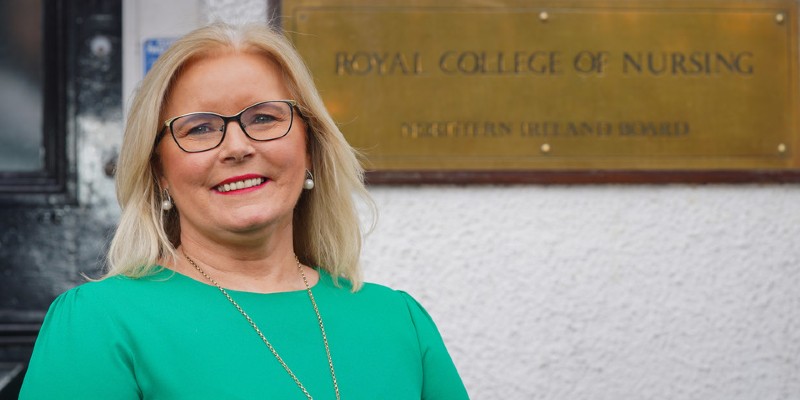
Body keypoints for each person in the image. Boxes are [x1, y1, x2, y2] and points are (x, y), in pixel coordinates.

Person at [19, 23, 469, 399]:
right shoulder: (99, 323)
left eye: (264, 119)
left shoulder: (399, 323)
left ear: (310, 147)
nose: (238, 147)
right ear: (158, 171)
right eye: (199, 128)